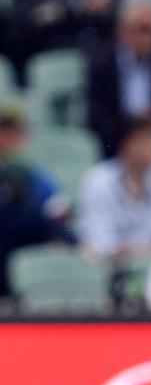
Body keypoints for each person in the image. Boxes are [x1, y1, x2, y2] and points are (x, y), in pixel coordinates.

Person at [78, 115, 151, 264]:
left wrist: (136, 251)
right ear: (124, 147)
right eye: (144, 140)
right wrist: (145, 249)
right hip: (113, 269)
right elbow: (98, 242)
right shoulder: (97, 182)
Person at [86, 0, 151, 154]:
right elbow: (96, 113)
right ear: (123, 30)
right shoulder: (102, 63)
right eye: (143, 29)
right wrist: (126, 127)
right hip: (113, 143)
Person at [0, 99, 73, 298]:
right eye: (3, 132)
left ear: (24, 136)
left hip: (31, 254)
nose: (8, 140)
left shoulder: (41, 179)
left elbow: (61, 224)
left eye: (14, 133)